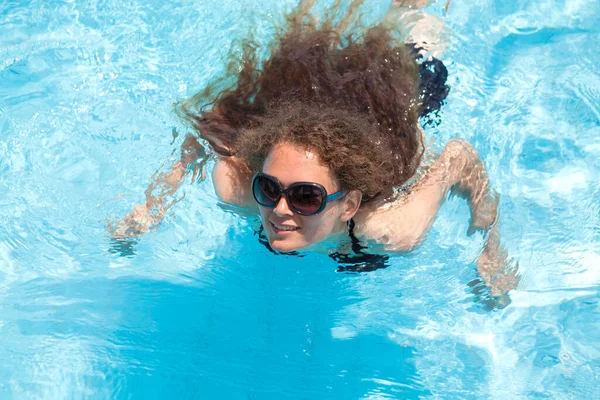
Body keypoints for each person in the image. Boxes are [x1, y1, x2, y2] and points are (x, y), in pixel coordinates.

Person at [109, 0, 518, 302]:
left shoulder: (393, 231)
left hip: (393, 110)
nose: (280, 209)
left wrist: (491, 243)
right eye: (269, 188)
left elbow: (457, 156)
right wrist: (153, 206)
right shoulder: (237, 189)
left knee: (421, 47)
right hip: (324, 117)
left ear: (349, 204)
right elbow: (204, 135)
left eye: (307, 196)